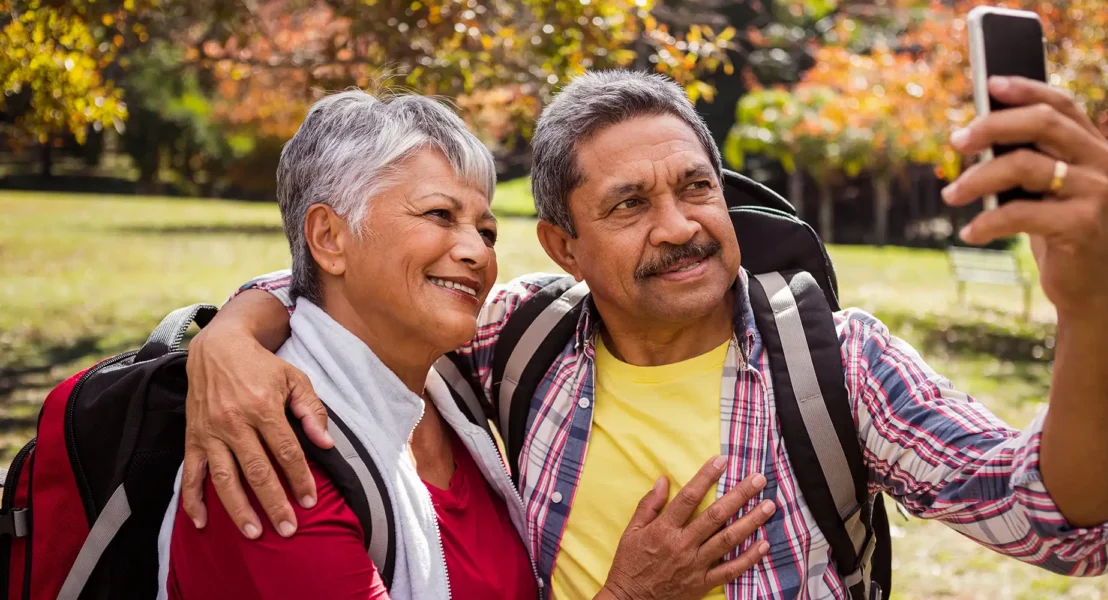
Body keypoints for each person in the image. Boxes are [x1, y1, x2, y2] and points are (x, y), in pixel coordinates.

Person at [182, 71, 1108, 599]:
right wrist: (227, 336)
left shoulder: (831, 366)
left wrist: (1089, 306)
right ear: (564, 245)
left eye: (696, 186)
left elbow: (1067, 518)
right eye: (631, 203)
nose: (683, 223)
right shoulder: (518, 342)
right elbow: (358, 294)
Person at [158, 89, 774, 600]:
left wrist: (234, 331)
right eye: (438, 216)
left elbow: (304, 290)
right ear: (329, 236)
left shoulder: (450, 384)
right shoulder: (272, 454)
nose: (477, 252)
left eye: (485, 228)